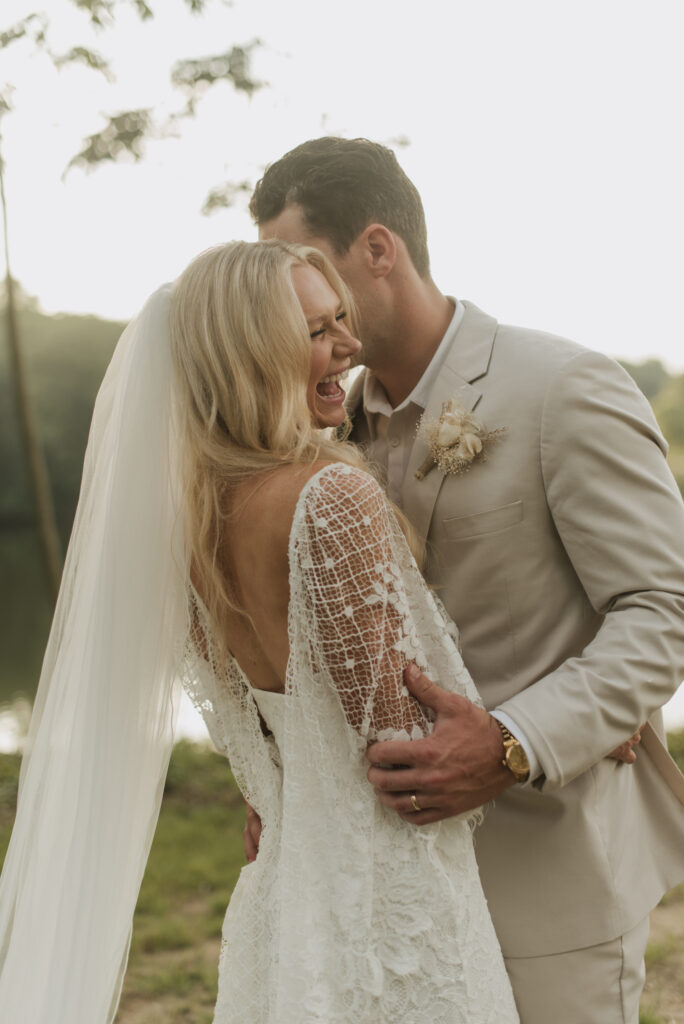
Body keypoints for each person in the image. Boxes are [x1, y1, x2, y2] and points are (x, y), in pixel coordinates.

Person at [0, 239, 521, 1022]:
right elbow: (400, 740)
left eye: (342, 320)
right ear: (250, 353)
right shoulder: (330, 496)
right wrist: (533, 735)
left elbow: (267, 733)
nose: (348, 346)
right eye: (317, 331)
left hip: (283, 889)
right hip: (387, 904)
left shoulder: (186, 527)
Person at [250, 136, 684, 1023]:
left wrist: (520, 736)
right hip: (388, 890)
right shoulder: (319, 438)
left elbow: (663, 608)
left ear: (379, 249)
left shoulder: (562, 387)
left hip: (551, 872)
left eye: (306, 265)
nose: (297, 304)